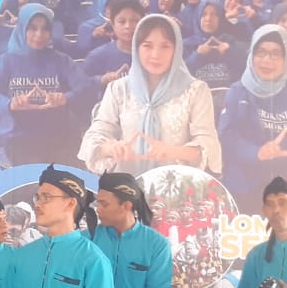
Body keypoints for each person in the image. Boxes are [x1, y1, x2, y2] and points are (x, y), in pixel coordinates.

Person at [79, 13, 220, 177]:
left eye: (165, 46)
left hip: (177, 184)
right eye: (147, 46)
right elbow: (95, 135)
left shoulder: (196, 90)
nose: (155, 55)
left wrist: (171, 151)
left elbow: (207, 143)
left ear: (176, 50)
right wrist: (111, 148)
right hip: (127, 184)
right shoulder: (118, 89)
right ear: (136, 48)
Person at [219, 25, 287, 210]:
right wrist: (257, 152)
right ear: (251, 55)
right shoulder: (238, 91)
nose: (267, 60)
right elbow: (226, 137)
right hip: (247, 184)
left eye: (276, 54)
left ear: (286, 58)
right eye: (261, 52)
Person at [0, 3, 93, 168]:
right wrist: (9, 104)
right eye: (32, 28)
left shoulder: (61, 60)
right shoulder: (6, 61)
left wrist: (66, 98)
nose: (39, 34)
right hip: (17, 137)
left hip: (58, 136)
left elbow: (86, 88)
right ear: (22, 28)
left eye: (45, 29)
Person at [80, 0, 143, 93]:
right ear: (113, 25)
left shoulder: (153, 55)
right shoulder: (97, 56)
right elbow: (80, 87)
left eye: (134, 21)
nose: (128, 26)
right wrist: (102, 80)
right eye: (122, 22)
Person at [184, 0, 245, 90]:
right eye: (204, 14)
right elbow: (181, 76)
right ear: (198, 17)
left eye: (214, 14)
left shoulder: (231, 43)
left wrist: (229, 54)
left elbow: (243, 74)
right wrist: (197, 56)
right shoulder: (187, 45)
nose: (208, 19)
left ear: (221, 18)